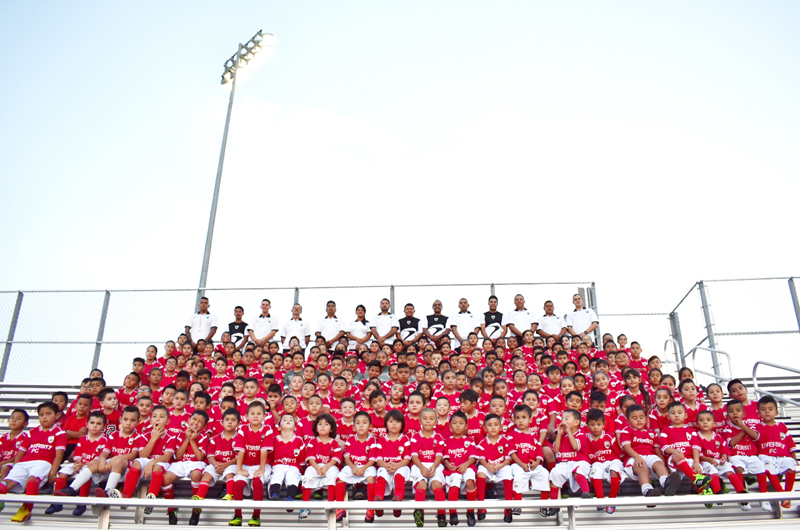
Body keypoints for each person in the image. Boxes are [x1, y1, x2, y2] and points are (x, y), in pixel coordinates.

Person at [0, 402, 66, 523]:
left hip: (43, 462)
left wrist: (53, 473)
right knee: (7, 482)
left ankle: (26, 509)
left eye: (48, 414)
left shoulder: (59, 433)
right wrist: (16, 465)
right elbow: (21, 452)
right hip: (25, 462)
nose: (44, 417)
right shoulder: (31, 432)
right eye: (41, 415)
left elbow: (59, 455)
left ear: (56, 416)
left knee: (32, 480)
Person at [49, 411, 107, 516]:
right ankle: (57, 502)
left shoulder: (104, 440)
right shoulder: (83, 438)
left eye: (99, 424)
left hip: (91, 466)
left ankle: (81, 503)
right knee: (62, 472)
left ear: (104, 426)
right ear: (87, 424)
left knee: (86, 473)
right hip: (80, 463)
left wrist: (83, 465)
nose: (94, 426)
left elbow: (98, 459)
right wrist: (77, 462)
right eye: (92, 423)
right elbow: (78, 452)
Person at [161, 410, 209, 525]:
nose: (196, 423)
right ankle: (171, 510)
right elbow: (177, 455)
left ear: (204, 426)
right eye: (194, 419)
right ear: (188, 420)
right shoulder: (180, 434)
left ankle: (195, 510)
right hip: (181, 462)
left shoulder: (203, 437)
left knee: (196, 475)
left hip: (196, 462)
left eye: (200, 422)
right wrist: (187, 438)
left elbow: (199, 457)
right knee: (166, 478)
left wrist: (192, 440)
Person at [232, 401, 273, 527]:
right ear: (246, 416)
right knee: (238, 483)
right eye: (252, 413)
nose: (255, 416)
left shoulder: (267, 429)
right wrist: (239, 469)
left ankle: (256, 515)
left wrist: (261, 469)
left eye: (259, 413)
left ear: (264, 416)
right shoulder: (242, 429)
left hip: (261, 465)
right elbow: (241, 450)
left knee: (257, 481)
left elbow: (264, 450)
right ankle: (237, 515)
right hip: (245, 465)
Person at [754, 396, 797, 509]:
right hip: (766, 455)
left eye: (770, 409)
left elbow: (790, 443)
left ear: (776, 412)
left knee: (791, 465)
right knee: (768, 466)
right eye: (763, 409)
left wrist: (794, 458)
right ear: (758, 413)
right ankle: (782, 494)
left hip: (783, 455)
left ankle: (787, 494)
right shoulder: (757, 427)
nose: (767, 411)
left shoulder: (782, 426)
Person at [299, 414, 341, 520]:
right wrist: (317, 467)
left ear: (331, 428)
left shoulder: (334, 443)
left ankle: (331, 504)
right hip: (315, 465)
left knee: (333, 475)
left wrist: (326, 467)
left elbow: (335, 459)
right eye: (320, 424)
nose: (322, 426)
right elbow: (310, 458)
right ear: (315, 427)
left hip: (329, 465)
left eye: (326, 424)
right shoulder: (312, 442)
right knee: (308, 474)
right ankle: (305, 506)